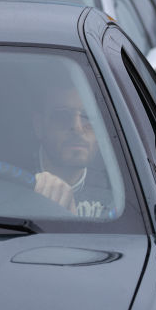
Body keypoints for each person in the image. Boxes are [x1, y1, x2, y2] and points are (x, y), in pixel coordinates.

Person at [32, 80, 115, 219]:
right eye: (62, 116)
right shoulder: (7, 182)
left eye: (87, 117)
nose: (77, 128)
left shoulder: (119, 191)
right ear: (39, 126)